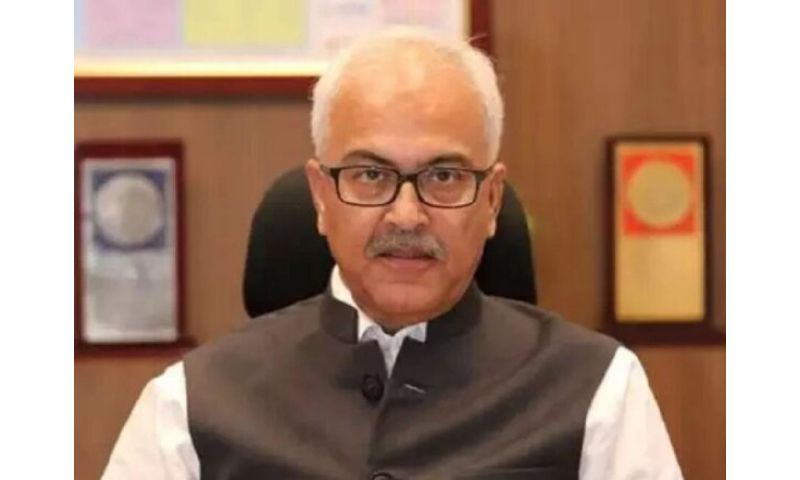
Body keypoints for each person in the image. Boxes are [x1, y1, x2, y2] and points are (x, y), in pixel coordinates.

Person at [102, 29, 682, 479]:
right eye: (371, 175)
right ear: (321, 197)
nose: (406, 215)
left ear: (491, 200)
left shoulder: (601, 392)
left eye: (445, 176)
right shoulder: (189, 406)